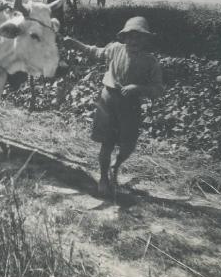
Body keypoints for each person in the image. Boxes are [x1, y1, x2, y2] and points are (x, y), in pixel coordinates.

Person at [63, 17, 164, 197]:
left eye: (139, 37)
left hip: (131, 106)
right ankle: (103, 179)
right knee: (106, 143)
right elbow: (93, 51)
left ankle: (115, 166)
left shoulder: (151, 62)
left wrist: (138, 88)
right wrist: (75, 43)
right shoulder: (115, 50)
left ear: (146, 40)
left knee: (128, 145)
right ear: (123, 38)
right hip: (108, 101)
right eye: (130, 37)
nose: (134, 41)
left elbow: (157, 89)